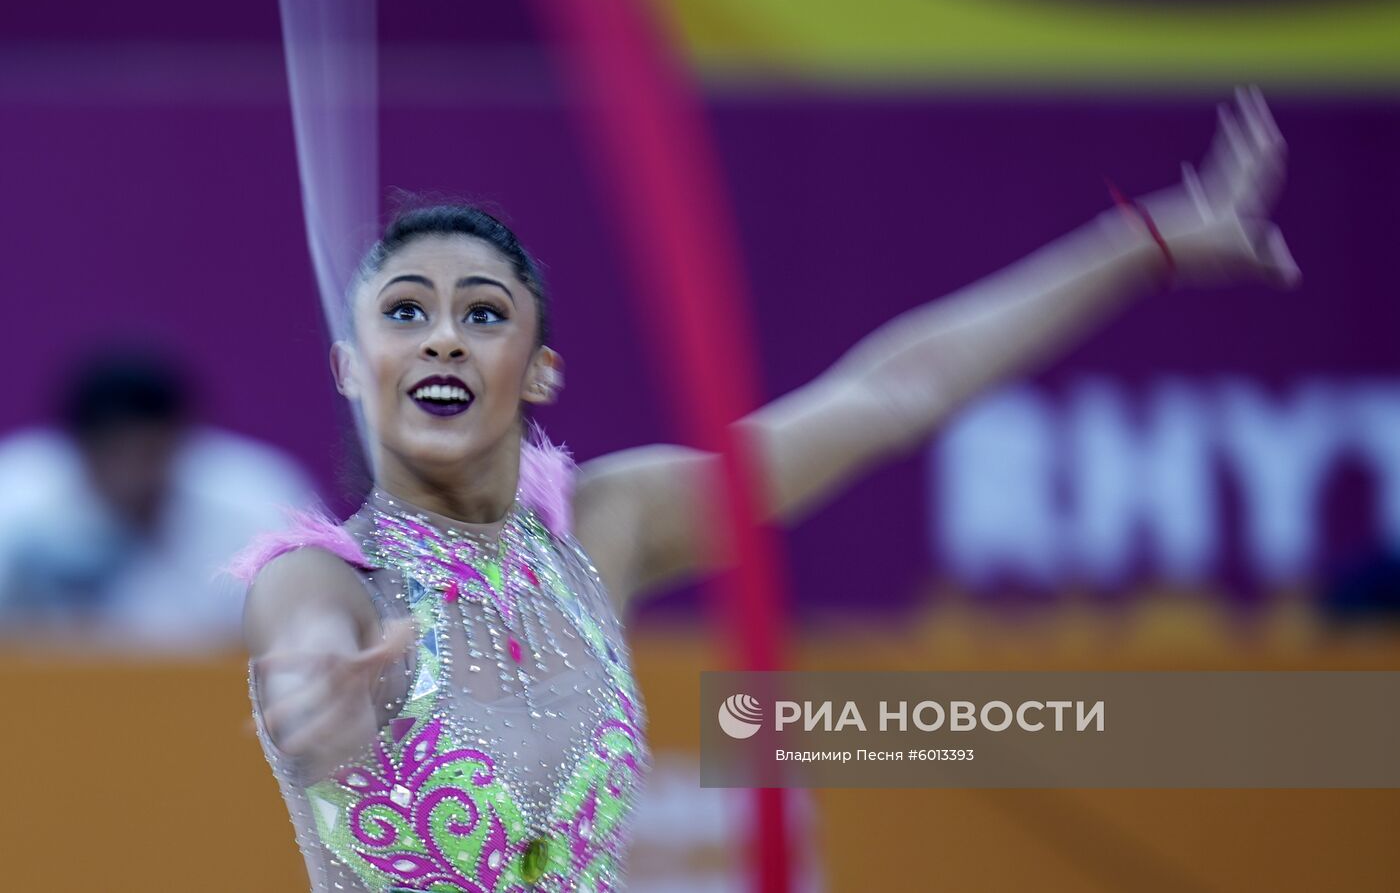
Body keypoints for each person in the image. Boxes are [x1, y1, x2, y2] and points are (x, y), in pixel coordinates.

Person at [235, 86, 1297, 891]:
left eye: (483, 313)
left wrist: (1138, 245)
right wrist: (318, 689)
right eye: (406, 313)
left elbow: (892, 393)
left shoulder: (613, 527)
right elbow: (307, 644)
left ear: (541, 368)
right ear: (349, 367)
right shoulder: (327, 584)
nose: (444, 340)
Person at [0, 350, 316, 652]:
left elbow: (300, 628)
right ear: (78, 446)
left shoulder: (257, 498)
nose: (132, 473)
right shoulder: (15, 501)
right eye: (114, 452)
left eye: (149, 453)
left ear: (182, 439)